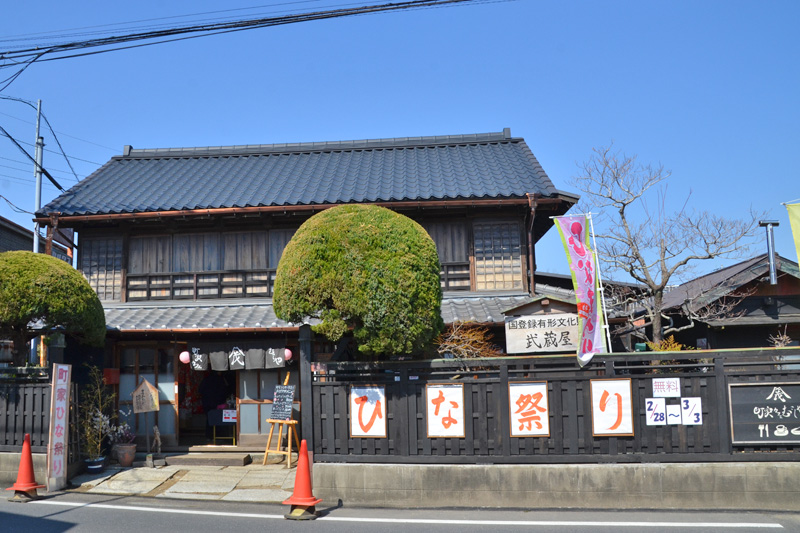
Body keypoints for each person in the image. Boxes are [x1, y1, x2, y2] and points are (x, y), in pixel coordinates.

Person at [199, 371, 228, 439]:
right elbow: (224, 391)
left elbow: (200, 390)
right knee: (219, 419)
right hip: (218, 403)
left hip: (207, 402)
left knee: (209, 419)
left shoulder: (206, 379)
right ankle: (218, 435)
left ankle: (209, 436)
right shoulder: (220, 380)